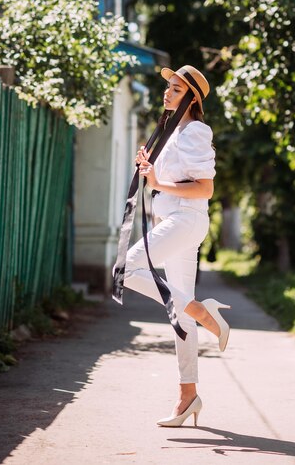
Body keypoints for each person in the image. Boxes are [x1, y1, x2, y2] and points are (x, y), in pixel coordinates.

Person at [122, 65, 231, 428]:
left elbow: (204, 188)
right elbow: (163, 182)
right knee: (179, 316)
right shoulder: (172, 133)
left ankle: (205, 313)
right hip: (173, 222)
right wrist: (149, 171)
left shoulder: (196, 131)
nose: (167, 93)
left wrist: (158, 182)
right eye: (168, 87)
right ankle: (188, 397)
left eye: (176, 89)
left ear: (192, 98)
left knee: (127, 269)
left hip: (186, 220)